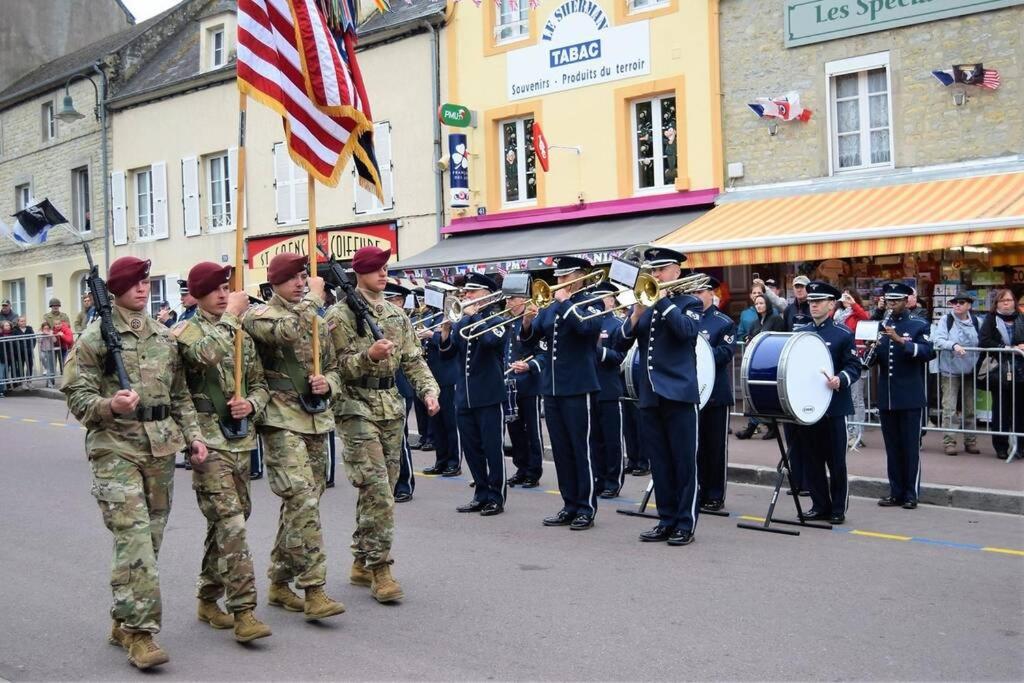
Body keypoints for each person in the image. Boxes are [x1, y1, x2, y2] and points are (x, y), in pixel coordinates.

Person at [61, 255, 208, 670]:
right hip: (115, 447)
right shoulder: (95, 337)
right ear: (116, 289)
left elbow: (180, 396)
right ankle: (141, 634)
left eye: (145, 281)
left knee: (150, 540)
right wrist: (110, 405)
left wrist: (194, 437)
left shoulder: (163, 336)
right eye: (134, 282)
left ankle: (123, 619)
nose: (142, 288)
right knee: (136, 539)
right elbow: (76, 396)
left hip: (160, 447)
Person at [326, 246, 439, 602]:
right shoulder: (339, 315)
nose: (383, 274)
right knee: (376, 489)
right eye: (376, 268)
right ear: (359, 273)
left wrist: (428, 390)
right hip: (355, 406)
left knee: (384, 488)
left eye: (385, 268)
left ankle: (362, 559)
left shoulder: (395, 314)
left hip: (390, 405)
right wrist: (368, 356)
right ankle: (380, 569)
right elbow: (337, 367)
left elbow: (413, 360)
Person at [172, 261, 272, 643]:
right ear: (197, 294)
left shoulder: (240, 334)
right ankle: (244, 611)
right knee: (232, 523)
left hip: (240, 441)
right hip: (207, 443)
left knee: (229, 521)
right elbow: (205, 355)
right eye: (214, 288)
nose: (222, 294)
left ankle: (207, 597)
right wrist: (231, 316)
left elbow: (260, 384)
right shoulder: (185, 332)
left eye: (226, 288)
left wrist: (251, 404)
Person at [243, 252, 346, 620]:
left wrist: (327, 383)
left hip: (314, 419)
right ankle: (314, 588)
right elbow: (286, 331)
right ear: (275, 283)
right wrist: (315, 299)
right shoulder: (259, 315)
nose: (301, 284)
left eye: (304, 278)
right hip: (280, 420)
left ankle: (279, 580)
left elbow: (334, 367)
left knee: (304, 503)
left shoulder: (315, 319)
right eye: (293, 279)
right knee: (302, 499)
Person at [618, 247, 702, 546]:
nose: (655, 275)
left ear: (676, 271)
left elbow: (687, 332)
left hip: (679, 394)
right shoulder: (645, 304)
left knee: (683, 463)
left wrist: (663, 301)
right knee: (660, 463)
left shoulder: (690, 302)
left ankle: (685, 523)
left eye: (660, 270)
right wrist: (635, 315)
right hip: (650, 395)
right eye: (652, 270)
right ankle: (666, 520)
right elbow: (618, 343)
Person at [522, 256, 605, 531]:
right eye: (558, 277)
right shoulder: (551, 305)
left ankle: (586, 507)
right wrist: (527, 322)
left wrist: (566, 303)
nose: (559, 281)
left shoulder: (592, 302)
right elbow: (532, 339)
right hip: (552, 387)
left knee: (581, 449)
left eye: (565, 276)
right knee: (561, 450)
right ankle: (569, 504)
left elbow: (586, 329)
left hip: (579, 386)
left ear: (579, 276)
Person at [441, 273, 509, 517]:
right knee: (472, 450)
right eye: (466, 292)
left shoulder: (498, 319)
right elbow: (448, 354)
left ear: (486, 295)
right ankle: (480, 494)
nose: (466, 296)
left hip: (489, 395)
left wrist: (476, 316)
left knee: (492, 450)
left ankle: (496, 496)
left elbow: (491, 340)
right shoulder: (462, 321)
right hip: (465, 396)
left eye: (472, 292)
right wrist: (445, 331)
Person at [793, 282, 861, 524]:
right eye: (811, 301)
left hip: (833, 407)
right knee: (812, 460)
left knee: (836, 462)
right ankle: (819, 505)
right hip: (808, 407)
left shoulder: (843, 334)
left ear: (831, 304)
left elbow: (854, 366)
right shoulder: (801, 333)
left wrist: (840, 379)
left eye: (819, 301)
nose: (813, 305)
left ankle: (838, 508)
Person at [868, 281, 934, 509]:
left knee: (910, 448)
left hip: (910, 396)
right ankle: (895, 491)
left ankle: (911, 493)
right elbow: (873, 359)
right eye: (889, 300)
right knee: (892, 448)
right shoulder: (882, 324)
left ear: (906, 301)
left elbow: (928, 352)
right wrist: (870, 348)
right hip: (887, 397)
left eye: (896, 300)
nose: (892, 304)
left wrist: (901, 342)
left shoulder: (919, 324)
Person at [694, 277, 736, 512]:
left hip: (715, 393)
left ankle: (715, 495)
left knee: (715, 447)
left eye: (700, 292)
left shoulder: (723, 322)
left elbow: (725, 353)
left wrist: (700, 353)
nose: (696, 296)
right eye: (693, 292)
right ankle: (698, 490)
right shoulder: (687, 319)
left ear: (711, 293)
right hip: (692, 392)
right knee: (695, 446)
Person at [503, 291, 546, 489]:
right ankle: (521, 468)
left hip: (529, 384)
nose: (508, 301)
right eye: (507, 298)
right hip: (509, 384)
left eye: (512, 298)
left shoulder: (534, 322)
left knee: (532, 431)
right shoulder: (505, 322)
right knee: (515, 430)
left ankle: (533, 471)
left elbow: (543, 354)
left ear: (523, 300)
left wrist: (529, 366)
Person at [932, 292, 981, 456]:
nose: (957, 305)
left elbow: (982, 341)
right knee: (949, 408)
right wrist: (953, 345)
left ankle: (970, 441)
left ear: (969, 305)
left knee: (970, 408)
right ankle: (949, 442)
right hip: (950, 370)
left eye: (961, 302)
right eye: (954, 302)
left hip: (970, 370)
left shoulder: (977, 321)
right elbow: (938, 340)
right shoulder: (946, 320)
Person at [978, 287, 1024, 460]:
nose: (1006, 303)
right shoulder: (990, 319)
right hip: (999, 370)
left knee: (1020, 410)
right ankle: (1001, 447)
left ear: (1014, 302)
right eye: (1002, 300)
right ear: (996, 303)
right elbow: (984, 340)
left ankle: (1020, 446)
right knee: (1000, 410)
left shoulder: (1021, 318)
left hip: (1020, 369)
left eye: (1009, 300)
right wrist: (1006, 348)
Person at [420, 291, 462, 477]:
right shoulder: (432, 316)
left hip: (449, 376)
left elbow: (452, 343)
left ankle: (454, 462)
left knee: (450, 422)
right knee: (436, 422)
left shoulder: (454, 315)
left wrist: (432, 335)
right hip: (433, 376)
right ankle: (441, 460)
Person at [383, 282, 417, 503]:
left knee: (400, 439)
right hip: (379, 390)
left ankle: (404, 483)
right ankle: (389, 483)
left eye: (392, 299)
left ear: (400, 301)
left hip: (400, 387)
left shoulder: (403, 322)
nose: (388, 303)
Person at [591, 282, 626, 498]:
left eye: (602, 298)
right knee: (594, 440)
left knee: (612, 440)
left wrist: (597, 351)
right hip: (589, 387)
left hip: (609, 389)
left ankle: (613, 482)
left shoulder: (617, 324)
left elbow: (620, 356)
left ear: (612, 301)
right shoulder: (588, 322)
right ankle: (598, 478)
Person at [735, 294, 784, 440]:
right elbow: (748, 336)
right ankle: (758, 426)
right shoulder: (755, 322)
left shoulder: (775, 319)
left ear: (767, 304)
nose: (759, 306)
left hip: (771, 363)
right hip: (756, 363)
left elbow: (779, 338)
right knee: (755, 395)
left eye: (761, 303)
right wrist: (747, 338)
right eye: (756, 304)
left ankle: (765, 427)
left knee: (766, 395)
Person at [834, 290, 870, 449]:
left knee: (856, 398)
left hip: (855, 359)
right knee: (844, 396)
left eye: (849, 296)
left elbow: (866, 318)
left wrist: (853, 304)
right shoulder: (837, 313)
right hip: (839, 360)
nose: (845, 299)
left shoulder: (857, 313)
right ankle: (845, 431)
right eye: (844, 296)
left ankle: (857, 433)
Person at [12, 316, 35, 384]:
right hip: (19, 353)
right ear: (18, 322)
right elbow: (14, 342)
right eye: (21, 321)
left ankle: (29, 381)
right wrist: (21, 349)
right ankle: (22, 382)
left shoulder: (29, 329)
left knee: (30, 366)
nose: (23, 322)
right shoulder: (15, 330)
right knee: (20, 367)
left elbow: (33, 339)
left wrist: (31, 348)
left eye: (24, 321)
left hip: (29, 351)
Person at [38, 322, 58, 386]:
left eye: (47, 328)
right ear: (42, 328)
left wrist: (51, 335)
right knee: (42, 358)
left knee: (51, 368)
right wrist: (43, 334)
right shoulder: (40, 333)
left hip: (50, 351)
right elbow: (39, 341)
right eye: (45, 328)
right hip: (43, 350)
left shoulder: (51, 332)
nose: (46, 329)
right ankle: (46, 368)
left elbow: (55, 340)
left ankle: (50, 382)